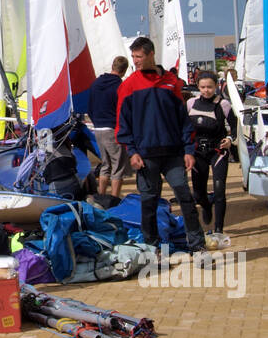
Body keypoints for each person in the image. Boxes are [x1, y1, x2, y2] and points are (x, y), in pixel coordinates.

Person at [115, 38, 206, 255]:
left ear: (151, 54)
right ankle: (151, 247)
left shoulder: (171, 82)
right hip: (145, 156)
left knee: (185, 197)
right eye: (133, 57)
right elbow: (122, 122)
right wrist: (132, 151)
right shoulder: (128, 85)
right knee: (148, 203)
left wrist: (189, 150)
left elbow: (183, 118)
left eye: (139, 56)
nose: (135, 61)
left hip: (174, 153)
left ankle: (197, 245)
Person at [187, 72, 237, 237]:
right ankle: (206, 205)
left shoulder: (223, 104)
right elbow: (183, 128)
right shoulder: (191, 104)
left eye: (209, 87)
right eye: (202, 87)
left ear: (216, 86)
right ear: (198, 87)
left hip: (218, 151)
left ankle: (218, 230)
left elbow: (235, 127)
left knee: (219, 189)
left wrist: (229, 139)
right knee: (198, 193)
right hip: (198, 152)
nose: (206, 91)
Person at [89, 55, 130, 198]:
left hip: (98, 128)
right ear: (124, 70)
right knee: (117, 167)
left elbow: (90, 106)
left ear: (112, 66)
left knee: (105, 165)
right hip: (112, 128)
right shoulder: (120, 86)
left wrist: (96, 122)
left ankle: (101, 197)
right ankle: (114, 199)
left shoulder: (96, 83)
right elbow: (124, 109)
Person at [39, 114, 99, 200]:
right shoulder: (66, 146)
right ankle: (88, 197)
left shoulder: (43, 150)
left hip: (57, 188)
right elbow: (78, 166)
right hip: (74, 185)